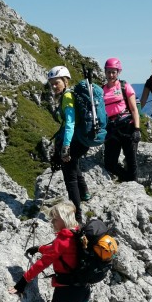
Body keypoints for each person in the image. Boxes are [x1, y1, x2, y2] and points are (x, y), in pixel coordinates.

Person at [48, 65, 90, 224]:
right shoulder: (69, 95)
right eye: (51, 83)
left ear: (65, 81)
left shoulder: (67, 97)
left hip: (73, 141)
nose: (53, 86)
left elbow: (70, 123)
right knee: (74, 166)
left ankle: (77, 217)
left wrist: (65, 147)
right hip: (79, 140)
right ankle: (85, 193)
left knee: (70, 178)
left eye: (56, 82)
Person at [102, 58, 141, 181]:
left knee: (131, 159)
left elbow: (134, 109)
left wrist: (137, 129)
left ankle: (133, 183)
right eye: (109, 72)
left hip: (127, 127)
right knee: (109, 163)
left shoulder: (125, 87)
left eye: (114, 72)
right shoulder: (102, 90)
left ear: (118, 72)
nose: (111, 75)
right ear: (105, 72)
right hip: (111, 128)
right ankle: (127, 179)